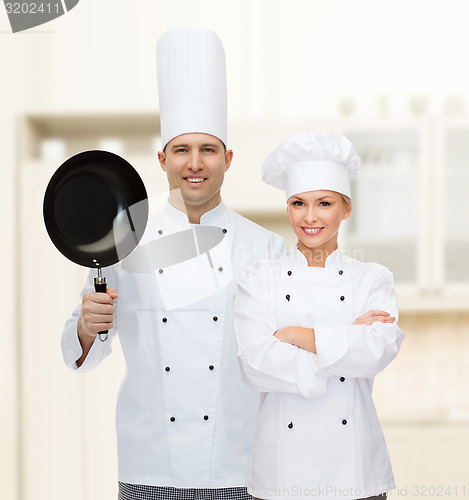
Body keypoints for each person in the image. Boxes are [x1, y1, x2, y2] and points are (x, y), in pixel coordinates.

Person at [61, 28, 288, 500]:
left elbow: (286, 357)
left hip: (239, 465)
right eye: (182, 150)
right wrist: (88, 326)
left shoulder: (266, 248)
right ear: (162, 158)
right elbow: (83, 352)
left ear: (228, 158)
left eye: (208, 150)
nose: (195, 164)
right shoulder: (124, 240)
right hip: (149, 464)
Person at [234, 132, 405, 500]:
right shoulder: (260, 278)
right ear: (288, 209)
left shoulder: (371, 278)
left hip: (355, 476)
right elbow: (253, 363)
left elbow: (377, 351)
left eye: (324, 203)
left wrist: (295, 334)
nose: (310, 217)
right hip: (282, 477)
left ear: (345, 209)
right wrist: (345, 339)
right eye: (298, 203)